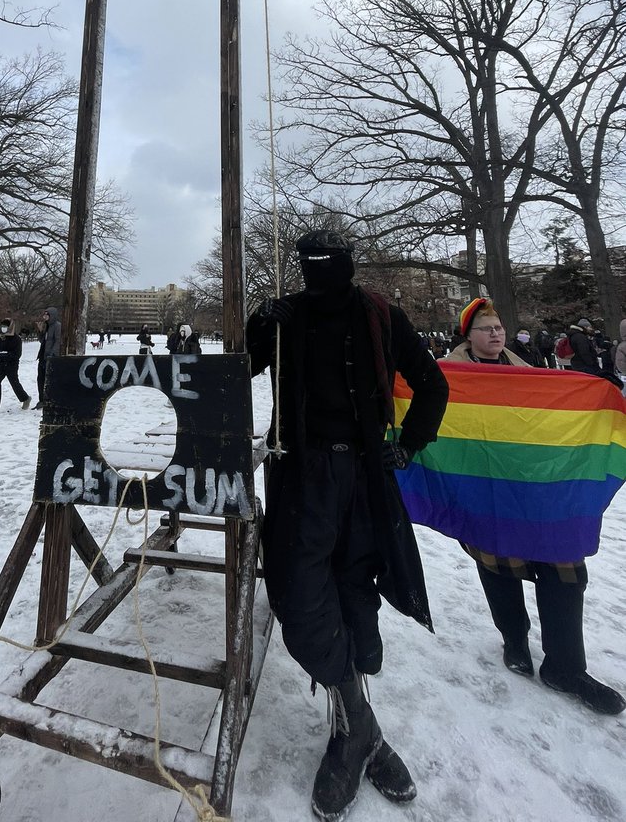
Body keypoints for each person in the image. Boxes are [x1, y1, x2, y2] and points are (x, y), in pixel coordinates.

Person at [247, 231, 449, 821]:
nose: (319, 275)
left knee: (357, 597)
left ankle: (350, 729)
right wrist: (261, 321)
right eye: (310, 266)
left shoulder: (382, 314)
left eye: (329, 265)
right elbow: (242, 365)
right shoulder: (290, 316)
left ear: (348, 267)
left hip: (362, 478)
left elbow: (432, 383)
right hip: (301, 477)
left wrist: (409, 445)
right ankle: (363, 730)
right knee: (301, 599)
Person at [442, 297, 624, 716]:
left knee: (564, 568)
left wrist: (597, 393)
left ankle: (566, 667)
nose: (497, 334)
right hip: (484, 490)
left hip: (535, 490)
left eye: (500, 328)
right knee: (496, 564)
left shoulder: (526, 369)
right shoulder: (449, 375)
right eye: (487, 329)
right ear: (467, 335)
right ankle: (515, 641)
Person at [0, 319, 31, 413]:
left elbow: (17, 355)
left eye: (5, 326)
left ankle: (25, 398)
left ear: (10, 327)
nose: (3, 328)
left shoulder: (16, 339)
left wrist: (2, 353)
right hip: (1, 364)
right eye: (2, 326)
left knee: (14, 383)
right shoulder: (0, 337)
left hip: (12, 365)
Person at [33, 307, 61, 408]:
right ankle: (42, 400)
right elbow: (42, 341)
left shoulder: (57, 326)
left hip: (50, 358)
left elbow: (58, 341)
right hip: (42, 356)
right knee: (40, 378)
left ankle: (50, 400)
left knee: (49, 380)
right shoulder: (47, 326)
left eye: (47, 315)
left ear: (52, 316)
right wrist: (40, 331)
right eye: (44, 315)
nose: (45, 317)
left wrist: (52, 355)